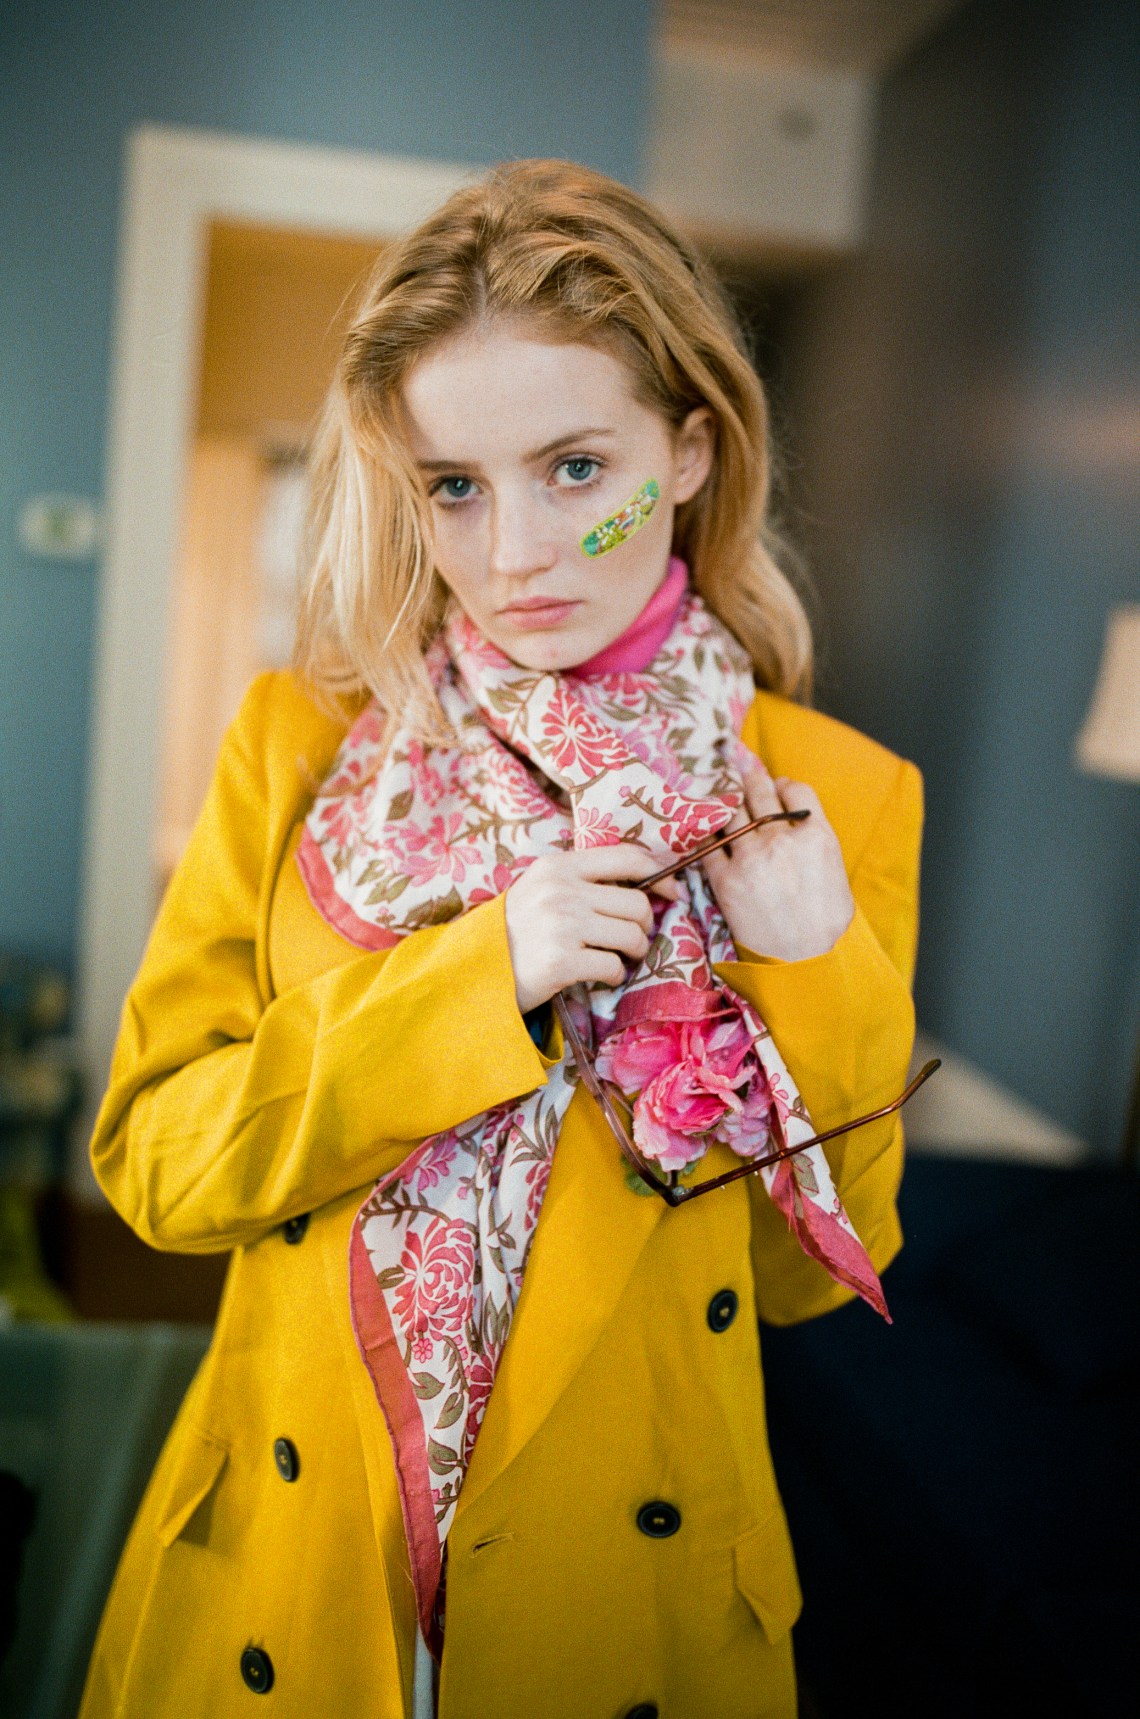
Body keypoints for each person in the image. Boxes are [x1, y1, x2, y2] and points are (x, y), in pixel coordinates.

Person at [79, 160, 922, 1719]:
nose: (515, 549)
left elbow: (820, 1280)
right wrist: (474, 979)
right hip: (296, 1567)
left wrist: (813, 967)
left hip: (623, 1611)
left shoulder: (842, 803)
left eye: (576, 467)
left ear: (686, 453)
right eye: (453, 485)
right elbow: (153, 1163)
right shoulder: (299, 747)